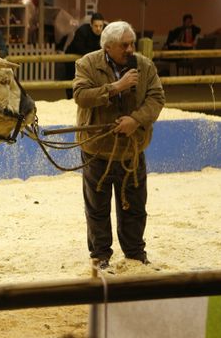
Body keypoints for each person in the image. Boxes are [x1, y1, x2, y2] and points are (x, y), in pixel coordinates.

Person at [72, 21, 165, 272]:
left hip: (132, 150)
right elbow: (80, 95)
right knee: (97, 207)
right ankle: (100, 256)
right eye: (124, 45)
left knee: (135, 206)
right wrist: (116, 87)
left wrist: (136, 120)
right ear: (108, 46)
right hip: (97, 149)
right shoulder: (87, 64)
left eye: (132, 43)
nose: (130, 49)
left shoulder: (145, 66)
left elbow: (157, 97)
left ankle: (135, 254)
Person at [63, 13, 106, 98]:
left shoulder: (105, 32)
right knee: (72, 78)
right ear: (91, 25)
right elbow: (80, 49)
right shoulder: (82, 31)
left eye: (101, 26)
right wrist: (97, 54)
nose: (98, 29)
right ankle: (70, 98)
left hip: (90, 60)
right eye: (96, 26)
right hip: (73, 59)